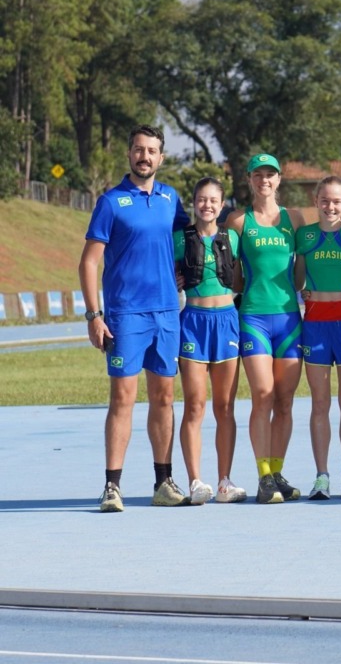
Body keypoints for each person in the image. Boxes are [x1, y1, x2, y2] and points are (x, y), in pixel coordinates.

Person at [80, 124, 191, 512]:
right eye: (139, 150)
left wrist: (183, 270)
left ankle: (163, 482)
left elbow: (185, 242)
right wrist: (95, 315)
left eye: (152, 151)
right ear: (130, 154)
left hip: (166, 313)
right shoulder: (111, 202)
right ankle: (112, 486)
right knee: (122, 399)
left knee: (164, 398)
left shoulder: (170, 199)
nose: (145, 156)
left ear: (161, 158)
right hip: (126, 315)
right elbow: (89, 262)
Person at [224, 153, 306, 504]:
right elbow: (231, 272)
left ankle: (276, 472)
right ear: (250, 179)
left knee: (285, 402)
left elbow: (301, 274)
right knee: (263, 394)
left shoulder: (295, 219)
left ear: (279, 178)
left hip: (289, 319)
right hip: (254, 318)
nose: (264, 180)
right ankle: (262, 477)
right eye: (258, 175)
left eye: (270, 174)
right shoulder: (239, 221)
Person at [295, 176, 341, 500]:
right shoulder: (305, 236)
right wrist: (306, 292)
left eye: (337, 201)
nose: (330, 206)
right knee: (320, 403)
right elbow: (296, 279)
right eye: (325, 200)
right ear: (316, 200)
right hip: (315, 323)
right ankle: (321, 477)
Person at [174, 177, 247, 505]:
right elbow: (165, 274)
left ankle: (225, 482)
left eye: (213, 200)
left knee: (225, 406)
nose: (207, 205)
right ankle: (195, 481)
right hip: (193, 322)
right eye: (201, 199)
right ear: (194, 203)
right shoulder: (179, 238)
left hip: (227, 322)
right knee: (195, 405)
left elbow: (247, 275)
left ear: (221, 205)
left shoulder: (232, 237)